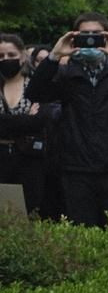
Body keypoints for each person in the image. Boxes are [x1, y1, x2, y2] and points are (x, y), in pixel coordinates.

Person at [26, 13, 108, 232]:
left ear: (107, 37)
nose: (90, 40)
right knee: (83, 236)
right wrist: (54, 56)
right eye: (84, 35)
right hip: (76, 168)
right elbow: (35, 92)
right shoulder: (66, 73)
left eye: (96, 35)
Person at [0, 33, 49, 213]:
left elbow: (40, 121)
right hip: (2, 162)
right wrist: (25, 119)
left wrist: (8, 122)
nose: (6, 60)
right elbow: (29, 122)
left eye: (11, 55)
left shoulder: (36, 86)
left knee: (30, 214)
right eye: (1, 56)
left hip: (30, 162)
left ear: (22, 56)